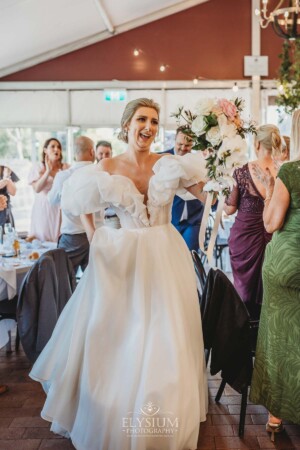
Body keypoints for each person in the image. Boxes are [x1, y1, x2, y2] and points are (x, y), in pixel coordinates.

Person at [30, 98, 209, 450]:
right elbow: (80, 204)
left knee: (164, 333)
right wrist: (97, 236)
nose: (149, 127)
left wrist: (218, 174)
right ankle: (112, 410)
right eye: (142, 119)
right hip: (122, 257)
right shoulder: (106, 165)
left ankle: (159, 417)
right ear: (127, 124)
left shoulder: (169, 163)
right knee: (119, 334)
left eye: (155, 121)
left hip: (164, 253)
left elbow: (200, 193)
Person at [250, 110, 300, 440]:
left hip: (287, 264)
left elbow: (271, 223)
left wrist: (270, 187)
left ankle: (277, 417)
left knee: (281, 339)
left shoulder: (293, 171)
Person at [224, 125, 281, 320]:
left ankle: (245, 328)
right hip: (275, 235)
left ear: (256, 144)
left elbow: (230, 208)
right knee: (272, 288)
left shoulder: (240, 172)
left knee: (245, 291)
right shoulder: (283, 171)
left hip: (244, 239)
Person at [47, 136, 97, 274]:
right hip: (97, 236)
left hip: (72, 236)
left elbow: (51, 201)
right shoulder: (100, 173)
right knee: (94, 283)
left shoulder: (63, 176)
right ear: (92, 152)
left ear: (74, 153)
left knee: (65, 283)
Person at [164, 126, 205, 251]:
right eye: (180, 144)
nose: (183, 148)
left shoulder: (199, 161)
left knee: (190, 256)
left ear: (193, 144)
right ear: (174, 140)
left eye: (187, 145)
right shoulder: (163, 158)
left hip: (194, 219)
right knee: (171, 257)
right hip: (170, 219)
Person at [28, 138, 69, 242]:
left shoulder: (66, 168)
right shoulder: (38, 167)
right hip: (44, 209)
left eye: (59, 147)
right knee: (42, 239)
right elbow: (37, 189)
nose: (56, 149)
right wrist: (48, 171)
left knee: (60, 240)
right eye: (53, 146)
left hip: (61, 209)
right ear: (45, 150)